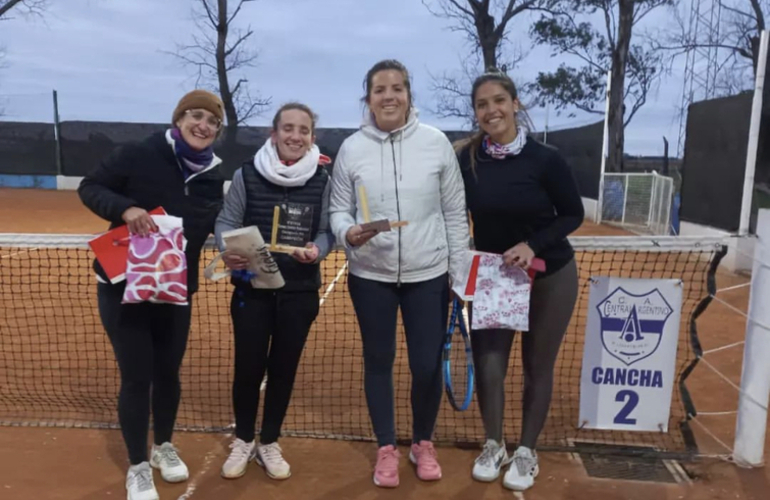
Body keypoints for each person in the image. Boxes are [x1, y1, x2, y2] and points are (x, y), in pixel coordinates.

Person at [78, 90, 226, 500]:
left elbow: (209, 223)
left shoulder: (212, 173)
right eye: (195, 116)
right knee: (136, 377)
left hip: (175, 289)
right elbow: (91, 187)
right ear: (179, 119)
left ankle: (162, 446)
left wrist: (233, 244)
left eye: (212, 121)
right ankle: (138, 466)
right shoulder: (138, 153)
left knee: (168, 373)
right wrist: (125, 209)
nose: (203, 125)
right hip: (124, 287)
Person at [329, 59, 469, 488]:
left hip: (429, 275)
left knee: (426, 366)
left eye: (397, 88)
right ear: (368, 98)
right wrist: (347, 232)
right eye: (379, 90)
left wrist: (459, 273)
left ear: (409, 95)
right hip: (371, 276)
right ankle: (386, 446)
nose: (389, 96)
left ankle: (423, 441)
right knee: (378, 361)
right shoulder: (351, 148)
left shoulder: (436, 143)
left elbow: (454, 212)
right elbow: (338, 209)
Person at [455, 69, 584, 491]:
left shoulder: (546, 159)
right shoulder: (466, 160)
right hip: (495, 277)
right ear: (475, 112)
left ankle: (527, 451)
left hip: (550, 274)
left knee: (537, 367)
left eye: (498, 101)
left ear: (515, 104)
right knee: (489, 363)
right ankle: (493, 444)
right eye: (481, 104)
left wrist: (532, 244)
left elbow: (572, 214)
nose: (491, 110)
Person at [214, 102, 335, 481]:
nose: (295, 136)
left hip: (299, 292)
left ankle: (269, 440)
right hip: (252, 290)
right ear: (274, 133)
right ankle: (243, 439)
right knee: (248, 367)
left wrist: (318, 250)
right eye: (288, 128)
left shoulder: (323, 179)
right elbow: (226, 220)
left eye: (303, 130)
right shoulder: (247, 174)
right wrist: (227, 248)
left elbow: (327, 230)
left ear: (312, 137)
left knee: (283, 369)